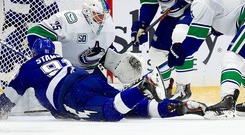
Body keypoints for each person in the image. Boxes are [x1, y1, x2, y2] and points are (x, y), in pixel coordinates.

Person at [0, 38, 207, 121]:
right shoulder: (60, 58)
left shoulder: (28, 68)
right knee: (137, 109)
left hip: (71, 95)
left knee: (111, 113)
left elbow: (6, 103)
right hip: (86, 78)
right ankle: (181, 107)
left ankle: (143, 87)